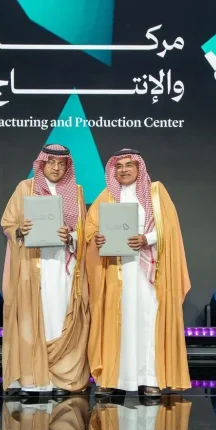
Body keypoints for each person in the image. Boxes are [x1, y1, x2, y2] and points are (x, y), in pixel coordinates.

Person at [85, 149, 191, 397]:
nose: (123, 170)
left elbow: (170, 230)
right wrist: (97, 238)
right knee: (117, 322)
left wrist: (146, 238)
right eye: (119, 166)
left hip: (148, 273)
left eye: (128, 165)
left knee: (146, 321)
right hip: (117, 271)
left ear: (139, 167)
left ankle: (149, 379)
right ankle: (112, 378)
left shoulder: (156, 192)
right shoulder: (107, 196)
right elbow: (90, 229)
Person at [1, 144, 90, 396]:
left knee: (60, 318)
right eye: (51, 162)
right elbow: (7, 223)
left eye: (62, 164)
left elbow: (83, 232)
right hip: (33, 266)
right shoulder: (25, 188)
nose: (56, 168)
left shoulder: (76, 192)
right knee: (33, 319)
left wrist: (70, 236)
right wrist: (20, 230)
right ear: (41, 164)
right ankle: (33, 381)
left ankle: (61, 379)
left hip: (63, 268)